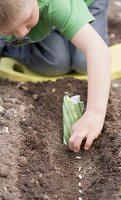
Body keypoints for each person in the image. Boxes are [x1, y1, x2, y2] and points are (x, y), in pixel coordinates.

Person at [0, 0, 111, 152]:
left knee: (83, 62)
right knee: (55, 63)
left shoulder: (54, 3)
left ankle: (73, 22)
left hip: (87, 3)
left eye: (25, 21)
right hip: (47, 15)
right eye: (10, 32)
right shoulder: (23, 13)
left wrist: (94, 113)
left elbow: (97, 49)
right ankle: (8, 46)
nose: (22, 33)